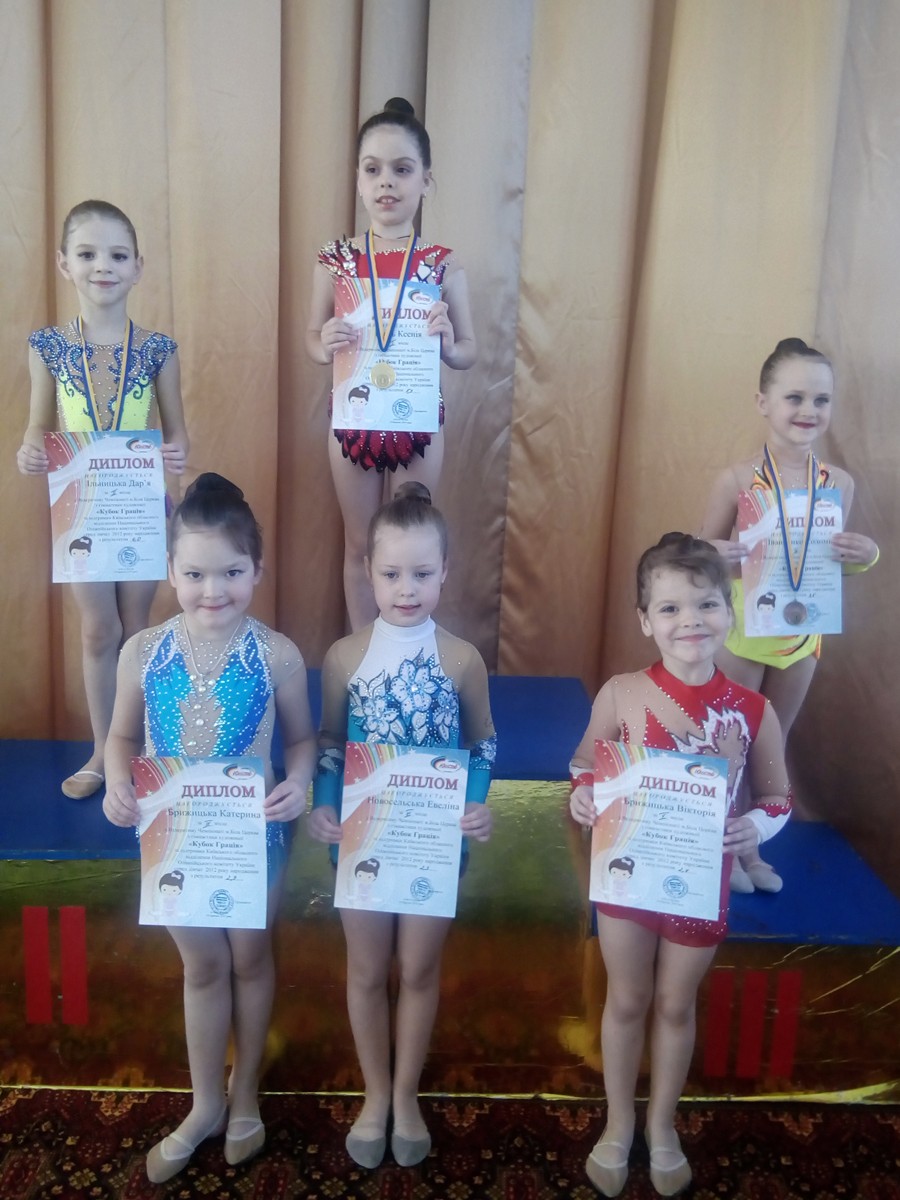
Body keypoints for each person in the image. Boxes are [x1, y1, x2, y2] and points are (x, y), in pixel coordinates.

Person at [103, 473, 315, 1183]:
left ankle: (245, 1092)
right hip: (173, 838)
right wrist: (117, 784)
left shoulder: (277, 653)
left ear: (257, 569)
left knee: (250, 959)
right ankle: (204, 1105)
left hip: (254, 837)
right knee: (202, 965)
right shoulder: (143, 651)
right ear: (170, 570)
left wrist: (298, 783)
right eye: (194, 574)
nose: (212, 590)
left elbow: (301, 740)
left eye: (230, 571)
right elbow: (120, 737)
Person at [569, 533, 791, 1197]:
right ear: (645, 620)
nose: (689, 620)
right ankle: (618, 1124)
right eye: (669, 608)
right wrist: (583, 794)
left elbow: (779, 798)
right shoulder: (621, 693)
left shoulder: (755, 710)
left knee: (673, 1004)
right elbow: (584, 762)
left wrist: (754, 826)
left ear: (730, 611)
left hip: (700, 882)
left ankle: (662, 1126)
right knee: (628, 998)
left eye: (706, 604)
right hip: (627, 876)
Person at [307, 482, 495, 1169]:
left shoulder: (462, 659)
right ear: (368, 571)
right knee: (365, 970)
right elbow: (331, 741)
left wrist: (476, 803)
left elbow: (483, 744)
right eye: (391, 574)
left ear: (446, 571)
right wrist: (324, 803)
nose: (406, 589)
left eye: (422, 573)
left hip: (433, 843)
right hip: (361, 841)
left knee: (417, 968)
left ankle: (407, 1095)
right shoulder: (344, 656)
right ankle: (375, 1094)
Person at [17, 200, 189, 799]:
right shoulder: (48, 346)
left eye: (117, 255)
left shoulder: (158, 349)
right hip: (82, 512)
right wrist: (29, 449)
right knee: (98, 629)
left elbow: (177, 433)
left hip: (141, 508)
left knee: (136, 629)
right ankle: (102, 750)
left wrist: (176, 456)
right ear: (64, 263)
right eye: (87, 254)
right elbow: (39, 424)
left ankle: (138, 748)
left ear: (138, 266)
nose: (102, 266)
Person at [699, 338, 878, 892]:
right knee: (729, 746)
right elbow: (697, 558)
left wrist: (866, 555)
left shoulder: (838, 484)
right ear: (763, 402)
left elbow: (827, 569)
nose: (808, 410)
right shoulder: (737, 480)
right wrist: (714, 554)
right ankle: (720, 854)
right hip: (743, 635)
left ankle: (750, 849)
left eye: (821, 400)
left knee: (769, 750)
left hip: (801, 639)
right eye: (794, 397)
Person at [306, 97, 477, 630]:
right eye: (373, 169)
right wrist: (324, 341)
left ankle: (407, 651)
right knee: (361, 543)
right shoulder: (335, 260)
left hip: (418, 418)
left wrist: (449, 344)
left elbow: (469, 350)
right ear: (358, 180)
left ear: (426, 181)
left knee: (414, 543)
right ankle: (365, 653)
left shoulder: (441, 264)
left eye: (402, 170)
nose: (387, 182)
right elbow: (311, 338)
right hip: (353, 419)